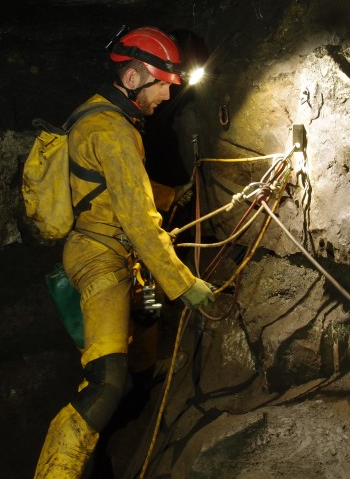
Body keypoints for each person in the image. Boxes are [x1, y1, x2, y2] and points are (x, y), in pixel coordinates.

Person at [34, 26, 215, 478]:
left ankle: (134, 424)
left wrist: (174, 194)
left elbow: (108, 186)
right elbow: (137, 219)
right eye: (163, 86)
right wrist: (184, 283)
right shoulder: (113, 130)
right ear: (133, 78)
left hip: (107, 249)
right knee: (105, 380)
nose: (168, 98)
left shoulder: (94, 117)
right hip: (99, 259)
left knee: (143, 342)